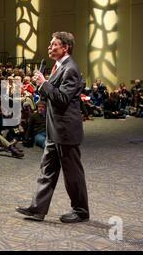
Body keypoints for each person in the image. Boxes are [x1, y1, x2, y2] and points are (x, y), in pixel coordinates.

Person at [16, 31, 89, 223]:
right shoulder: (58, 66)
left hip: (66, 131)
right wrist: (42, 85)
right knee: (47, 170)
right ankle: (37, 209)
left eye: (54, 44)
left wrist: (44, 83)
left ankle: (81, 211)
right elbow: (52, 94)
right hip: (53, 129)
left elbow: (63, 99)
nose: (50, 47)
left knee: (72, 174)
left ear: (65, 47)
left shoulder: (71, 68)